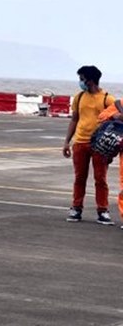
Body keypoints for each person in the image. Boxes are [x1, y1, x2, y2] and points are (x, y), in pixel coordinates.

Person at [64, 65, 116, 223]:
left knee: (100, 179)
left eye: (82, 79)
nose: (80, 82)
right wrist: (67, 142)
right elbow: (74, 119)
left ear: (90, 80)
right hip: (80, 142)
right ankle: (76, 208)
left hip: (99, 145)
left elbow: (116, 121)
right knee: (79, 177)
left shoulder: (108, 99)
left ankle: (103, 210)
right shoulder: (79, 97)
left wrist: (112, 149)